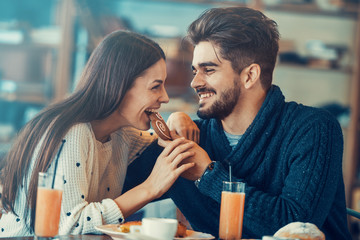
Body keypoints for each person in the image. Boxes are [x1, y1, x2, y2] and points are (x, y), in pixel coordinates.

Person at [123, 7, 352, 239]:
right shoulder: (186, 139)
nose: (194, 82)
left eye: (208, 70)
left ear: (249, 76)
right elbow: (107, 189)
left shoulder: (313, 129)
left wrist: (207, 174)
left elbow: (295, 226)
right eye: (194, 71)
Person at [0, 30, 197, 237]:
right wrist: (150, 188)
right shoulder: (73, 132)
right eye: (155, 87)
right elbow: (68, 226)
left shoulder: (122, 135)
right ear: (120, 85)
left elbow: (168, 141)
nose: (165, 97)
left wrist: (178, 117)